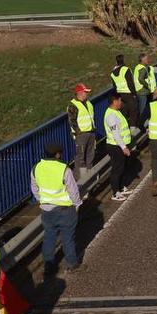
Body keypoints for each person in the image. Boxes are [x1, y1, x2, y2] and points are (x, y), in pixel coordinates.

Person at [32, 143, 83, 274]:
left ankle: (49, 266)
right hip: (65, 210)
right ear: (57, 154)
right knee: (67, 238)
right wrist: (77, 204)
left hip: (46, 210)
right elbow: (73, 190)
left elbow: (35, 189)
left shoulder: (36, 168)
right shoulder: (63, 168)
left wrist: (42, 201)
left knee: (49, 237)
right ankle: (72, 263)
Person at [104, 93, 134, 201]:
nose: (121, 103)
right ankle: (115, 192)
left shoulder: (116, 112)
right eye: (120, 101)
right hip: (116, 146)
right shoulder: (111, 115)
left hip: (121, 145)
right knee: (117, 169)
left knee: (122, 167)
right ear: (115, 101)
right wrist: (123, 147)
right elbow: (115, 133)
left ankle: (121, 187)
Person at [68, 83, 98, 175]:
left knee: (90, 156)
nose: (87, 94)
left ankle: (90, 177)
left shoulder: (88, 103)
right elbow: (72, 121)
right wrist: (78, 133)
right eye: (85, 92)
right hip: (81, 135)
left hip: (91, 133)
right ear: (80, 93)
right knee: (80, 158)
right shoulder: (73, 105)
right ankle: (83, 179)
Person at [109, 53, 139, 125]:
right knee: (133, 111)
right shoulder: (126, 69)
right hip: (128, 93)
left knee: (123, 112)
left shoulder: (112, 73)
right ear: (123, 60)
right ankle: (133, 127)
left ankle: (125, 125)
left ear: (116, 62)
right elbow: (130, 83)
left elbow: (114, 86)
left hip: (120, 94)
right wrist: (134, 94)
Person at [133, 53, 154, 123]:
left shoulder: (138, 67)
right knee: (143, 107)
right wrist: (147, 85)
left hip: (139, 90)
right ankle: (143, 123)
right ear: (143, 60)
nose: (148, 60)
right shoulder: (143, 68)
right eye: (147, 59)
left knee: (143, 107)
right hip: (142, 91)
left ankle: (144, 121)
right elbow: (140, 79)